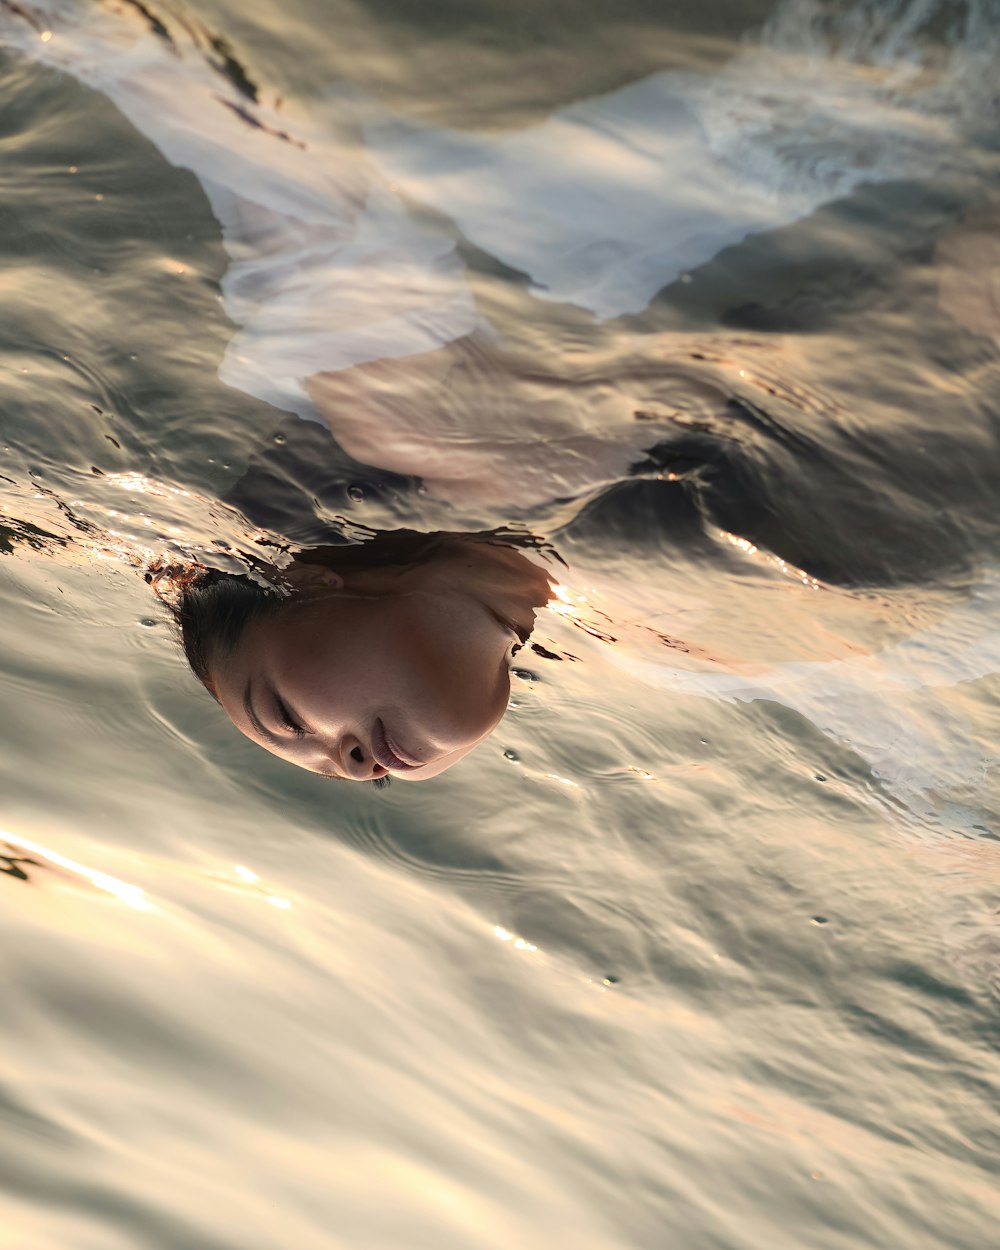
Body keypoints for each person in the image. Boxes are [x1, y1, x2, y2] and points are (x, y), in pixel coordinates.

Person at [2, 0, 998, 796]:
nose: (346, 763)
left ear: (307, 581)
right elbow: (885, 706)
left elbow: (276, 181)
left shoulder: (406, 412)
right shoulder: (645, 633)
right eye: (330, 762)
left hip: (890, 101)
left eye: (287, 717)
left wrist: (88, 33)